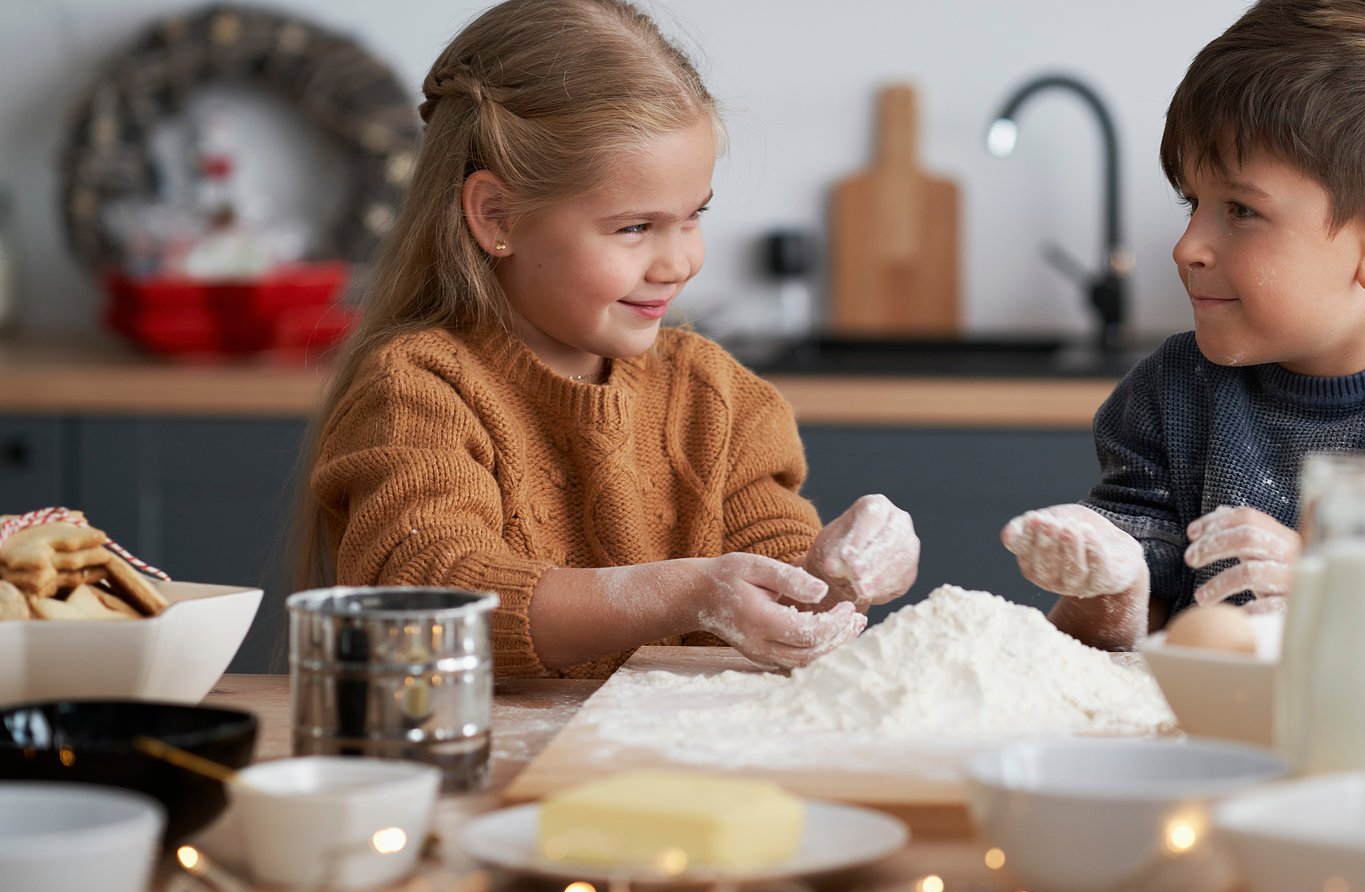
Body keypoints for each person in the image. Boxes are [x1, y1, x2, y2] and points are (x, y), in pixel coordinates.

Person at [300, 0, 918, 679]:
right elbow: (427, 594)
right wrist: (680, 594)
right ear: (496, 216)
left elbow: (778, 586)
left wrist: (839, 573)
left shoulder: (717, 398)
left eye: (692, 216)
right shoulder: (418, 389)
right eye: (633, 228)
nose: (677, 261)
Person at [1002, 0, 1365, 704]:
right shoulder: (1169, 399)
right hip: (1208, 783)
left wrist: (1345, 606)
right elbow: (1100, 660)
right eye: (1191, 204)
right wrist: (1108, 580)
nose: (1187, 248)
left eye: (1239, 210)